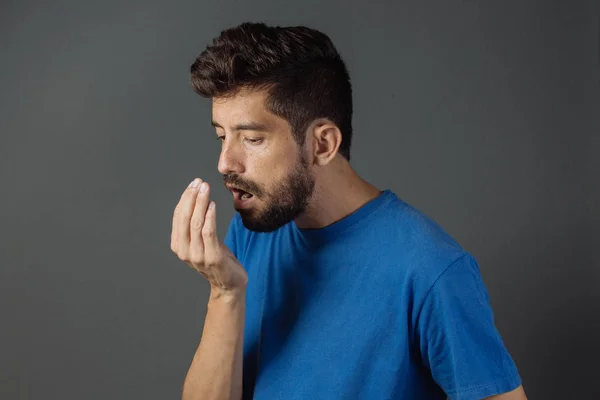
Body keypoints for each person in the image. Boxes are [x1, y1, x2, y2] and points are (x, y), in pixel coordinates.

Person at [170, 22, 527, 400]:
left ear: (323, 144)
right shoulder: (251, 232)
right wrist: (225, 292)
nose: (225, 162)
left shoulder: (431, 269)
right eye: (222, 137)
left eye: (253, 139)